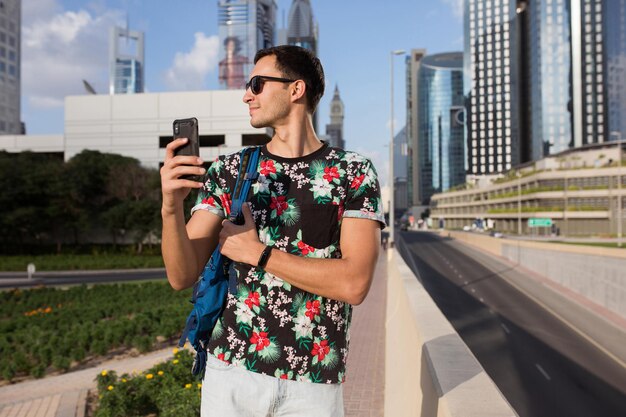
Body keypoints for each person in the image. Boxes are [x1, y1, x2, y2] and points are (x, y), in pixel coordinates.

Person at [160, 45, 385, 417]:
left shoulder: (353, 173)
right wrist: (170, 206)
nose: (247, 94)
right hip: (231, 372)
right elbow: (181, 275)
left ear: (296, 90)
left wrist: (257, 254)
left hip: (314, 380)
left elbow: (355, 284)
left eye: (257, 83)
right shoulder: (229, 170)